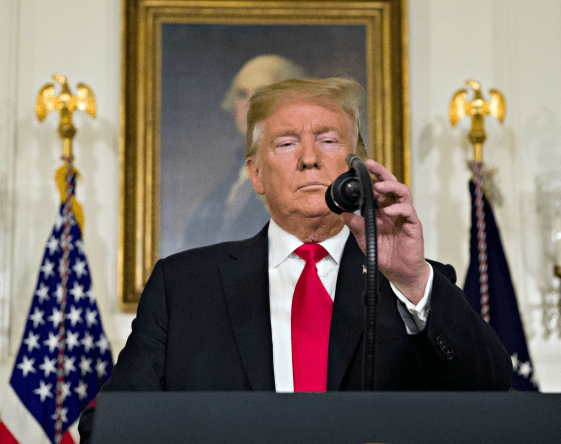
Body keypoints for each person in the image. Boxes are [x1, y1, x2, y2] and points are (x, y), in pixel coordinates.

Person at [79, 78, 511, 442]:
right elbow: (108, 427)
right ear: (256, 174)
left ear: (356, 166)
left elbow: (492, 391)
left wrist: (413, 280)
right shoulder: (184, 287)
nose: (309, 158)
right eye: (287, 143)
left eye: (327, 140)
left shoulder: (410, 282)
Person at [181, 54, 307, 250]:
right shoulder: (232, 182)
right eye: (242, 95)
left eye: (261, 94)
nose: (249, 105)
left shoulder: (309, 176)